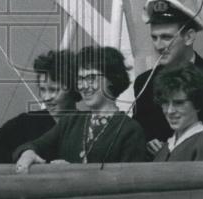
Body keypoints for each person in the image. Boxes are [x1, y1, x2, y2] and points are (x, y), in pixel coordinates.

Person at [14, 46, 148, 171]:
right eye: (80, 79)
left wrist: (75, 172)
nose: (83, 86)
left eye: (91, 78)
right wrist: (28, 153)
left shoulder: (130, 131)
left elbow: (128, 184)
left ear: (112, 78)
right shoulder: (71, 122)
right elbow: (33, 146)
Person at [132, 0, 203, 155]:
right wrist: (148, 141)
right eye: (154, 38)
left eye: (166, 37)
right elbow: (140, 130)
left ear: (189, 37)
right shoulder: (144, 83)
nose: (159, 45)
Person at [0, 50, 79, 164]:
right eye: (42, 90)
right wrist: (21, 157)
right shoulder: (27, 123)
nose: (46, 98)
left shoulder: (88, 124)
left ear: (73, 90)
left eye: (53, 90)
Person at [150, 64, 203, 162]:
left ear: (197, 103)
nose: (170, 111)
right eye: (165, 103)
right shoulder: (165, 147)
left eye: (179, 103)